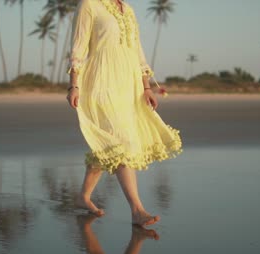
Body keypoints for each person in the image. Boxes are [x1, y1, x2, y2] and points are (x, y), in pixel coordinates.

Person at [66, 0, 183, 226]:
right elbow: (78, 48)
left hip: (129, 85)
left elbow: (137, 52)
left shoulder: (128, 10)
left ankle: (83, 197)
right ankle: (137, 210)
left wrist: (147, 87)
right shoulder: (89, 4)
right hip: (102, 81)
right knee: (121, 140)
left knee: (108, 143)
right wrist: (74, 85)